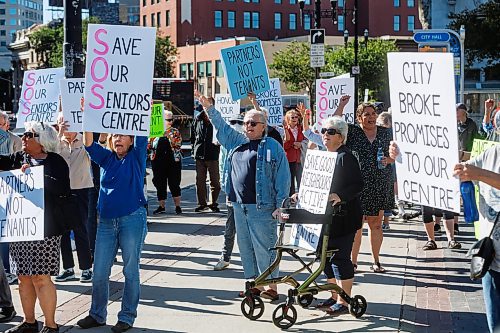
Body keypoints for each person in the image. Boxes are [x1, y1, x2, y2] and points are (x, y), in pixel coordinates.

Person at [197, 92, 290, 301]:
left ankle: (271, 287)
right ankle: (255, 284)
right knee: (246, 247)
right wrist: (208, 108)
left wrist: (281, 205)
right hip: (239, 206)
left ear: (263, 126)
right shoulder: (237, 142)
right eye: (246, 123)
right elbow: (221, 127)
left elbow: (283, 177)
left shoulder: (273, 146)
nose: (248, 126)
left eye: (253, 124)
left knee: (265, 246)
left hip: (262, 207)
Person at [305, 97, 394, 272]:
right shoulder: (352, 131)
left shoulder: (385, 133)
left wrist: (390, 159)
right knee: (357, 225)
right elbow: (334, 124)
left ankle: (376, 261)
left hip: (380, 183)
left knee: (376, 224)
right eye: (366, 114)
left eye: (373, 114)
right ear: (358, 118)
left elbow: (398, 154)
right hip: (355, 185)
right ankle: (353, 261)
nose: (371, 117)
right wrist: (341, 106)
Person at [0, 121, 70, 333]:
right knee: (23, 277)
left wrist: (36, 174)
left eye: (29, 134)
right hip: (21, 227)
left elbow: (61, 189)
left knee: (41, 277)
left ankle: (50, 324)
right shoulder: (19, 158)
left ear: (42, 140)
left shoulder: (56, 161)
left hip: (46, 229)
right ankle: (29, 322)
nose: (23, 138)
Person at [77, 131, 148, 333]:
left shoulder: (137, 155)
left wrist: (142, 107)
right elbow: (89, 144)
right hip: (107, 222)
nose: (118, 139)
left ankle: (127, 317)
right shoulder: (106, 158)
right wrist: (87, 119)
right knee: (99, 272)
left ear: (131, 140)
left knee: (130, 271)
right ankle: (97, 314)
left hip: (132, 219)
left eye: (124, 136)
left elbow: (142, 132)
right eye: (115, 135)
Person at [297, 116, 363, 315]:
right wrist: (300, 193)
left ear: (341, 137)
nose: (325, 135)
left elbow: (358, 185)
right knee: (324, 258)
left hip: (343, 218)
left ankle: (344, 300)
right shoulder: (321, 155)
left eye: (330, 132)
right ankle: (333, 294)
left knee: (340, 258)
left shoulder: (345, 157)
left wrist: (340, 196)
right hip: (323, 218)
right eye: (324, 131)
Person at [454, 145, 500, 332]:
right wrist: (400, 155)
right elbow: (455, 169)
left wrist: (479, 174)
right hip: (492, 257)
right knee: (495, 324)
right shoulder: (493, 152)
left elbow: (475, 172)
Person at [55, 115, 94, 283]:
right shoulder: (57, 142)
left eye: (68, 123)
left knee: (81, 229)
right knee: (62, 232)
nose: (66, 127)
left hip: (81, 190)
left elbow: (93, 147)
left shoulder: (83, 141)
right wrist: (60, 133)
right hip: (61, 191)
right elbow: (50, 155)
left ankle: (86, 269)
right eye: (62, 123)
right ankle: (68, 268)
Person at [213, 114, 245, 271]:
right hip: (232, 192)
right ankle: (225, 257)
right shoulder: (225, 146)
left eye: (239, 122)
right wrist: (226, 188)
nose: (235, 125)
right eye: (233, 122)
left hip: (247, 194)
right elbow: (222, 167)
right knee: (230, 227)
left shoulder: (246, 142)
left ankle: (251, 260)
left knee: (248, 229)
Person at [150, 110, 183, 215]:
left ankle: (178, 206)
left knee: (174, 183)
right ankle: (161, 206)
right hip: (158, 161)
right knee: (160, 183)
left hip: (173, 161)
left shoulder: (174, 131)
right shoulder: (154, 132)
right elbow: (148, 145)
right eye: (168, 120)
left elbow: (178, 144)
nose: (170, 122)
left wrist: (169, 136)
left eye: (171, 119)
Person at [191, 100, 221, 212]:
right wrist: (193, 150)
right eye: (203, 105)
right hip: (199, 154)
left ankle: (213, 203)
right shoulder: (198, 119)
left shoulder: (217, 119)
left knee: (215, 181)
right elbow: (193, 135)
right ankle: (202, 203)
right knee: (200, 181)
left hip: (213, 154)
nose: (205, 107)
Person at [284, 109, 304, 196]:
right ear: (288, 119)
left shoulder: (301, 128)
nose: (295, 118)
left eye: (296, 117)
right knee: (290, 181)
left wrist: (300, 144)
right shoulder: (285, 130)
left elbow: (306, 140)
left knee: (301, 180)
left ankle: (302, 198)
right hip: (289, 159)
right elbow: (284, 145)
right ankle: (291, 199)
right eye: (292, 117)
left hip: (300, 159)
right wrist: (293, 144)